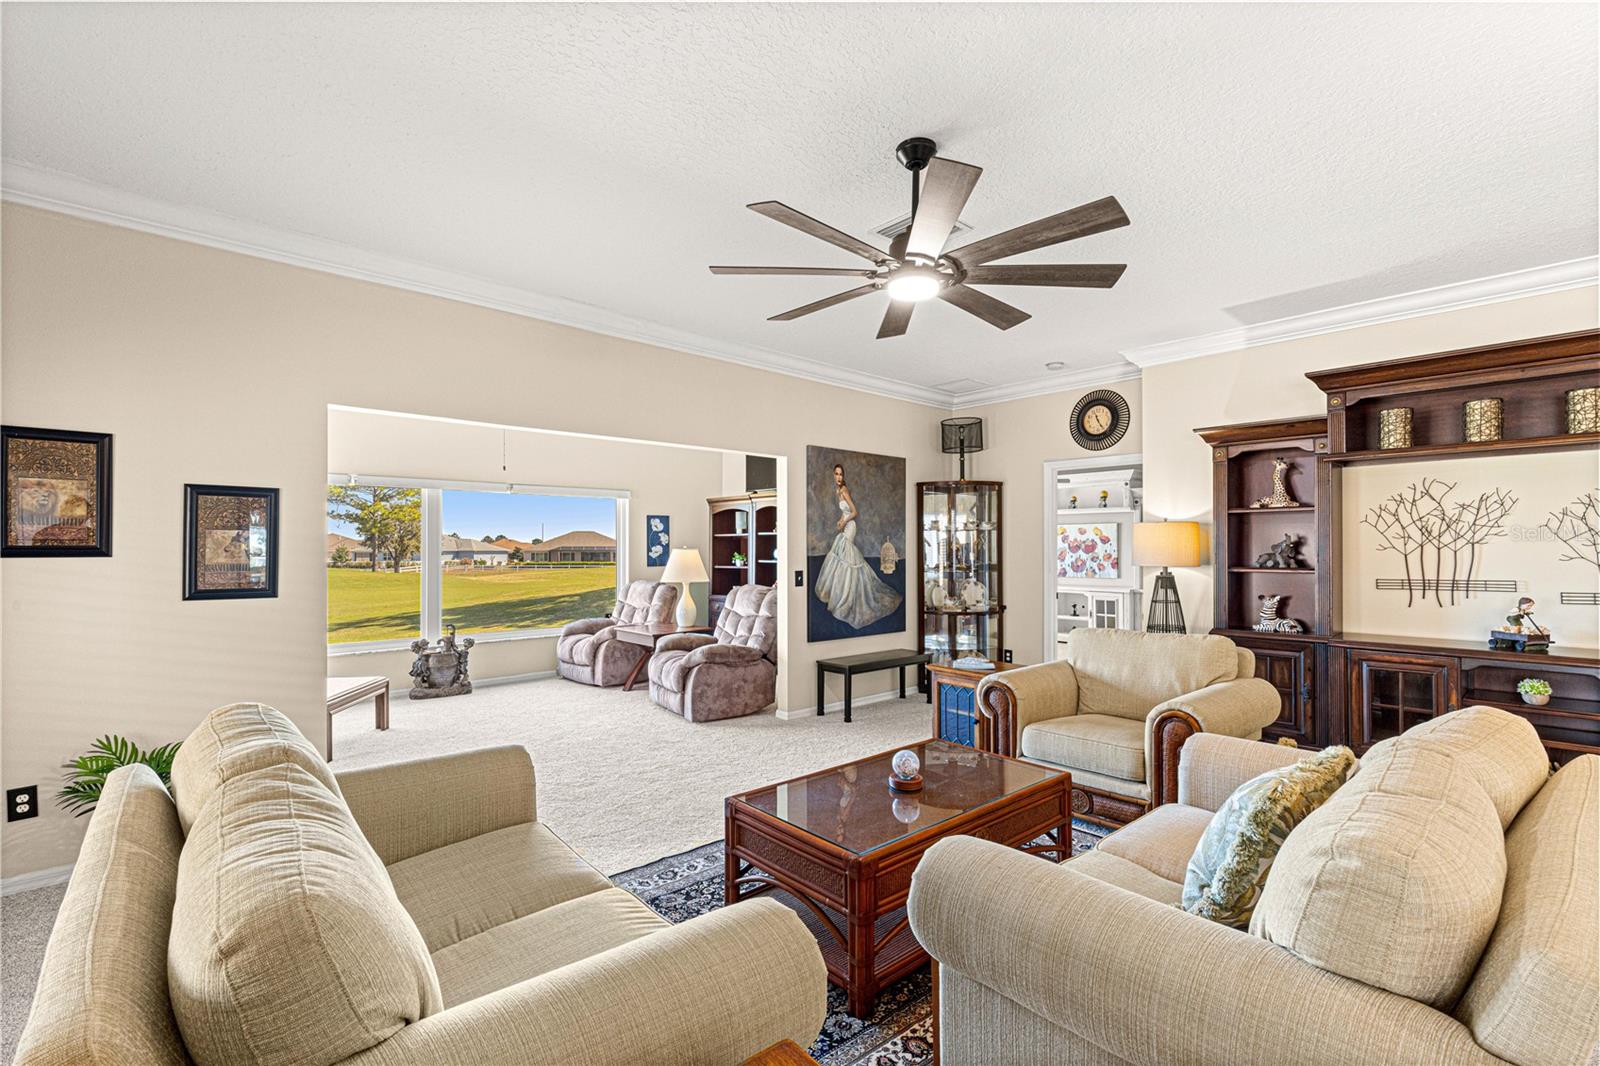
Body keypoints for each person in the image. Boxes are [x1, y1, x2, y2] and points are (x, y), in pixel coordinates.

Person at [815, 463, 901, 629]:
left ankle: (847, 593)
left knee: (846, 553)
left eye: (841, 474)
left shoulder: (844, 490)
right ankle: (841, 590)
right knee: (842, 554)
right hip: (846, 524)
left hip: (851, 526)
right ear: (833, 475)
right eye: (836, 474)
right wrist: (840, 520)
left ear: (843, 476)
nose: (839, 477)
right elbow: (845, 511)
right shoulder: (838, 490)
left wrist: (844, 522)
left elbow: (854, 512)